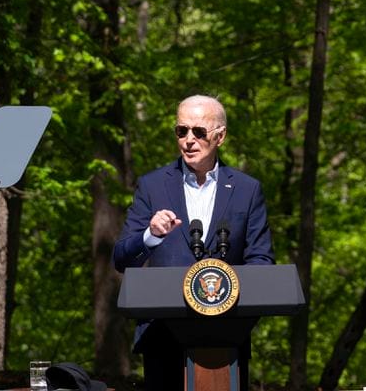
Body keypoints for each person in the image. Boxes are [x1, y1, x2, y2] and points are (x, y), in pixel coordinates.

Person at [113, 95, 274, 391]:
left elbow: (261, 263)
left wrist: (236, 313)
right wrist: (151, 236)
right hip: (162, 337)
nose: (189, 140)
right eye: (181, 131)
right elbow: (122, 259)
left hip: (227, 339)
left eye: (199, 132)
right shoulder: (152, 185)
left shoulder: (247, 190)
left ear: (220, 136)